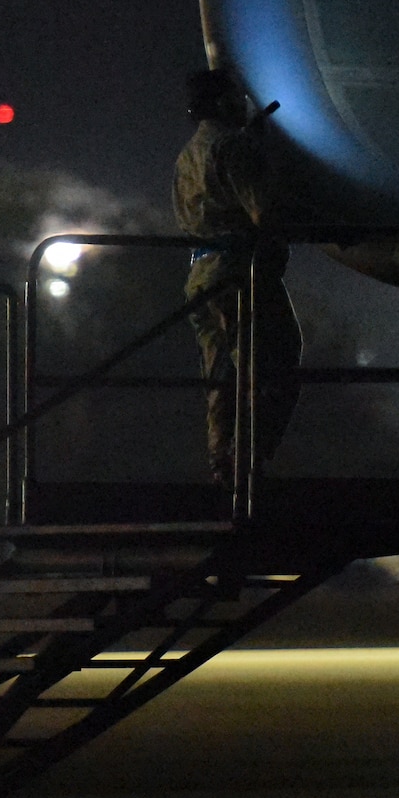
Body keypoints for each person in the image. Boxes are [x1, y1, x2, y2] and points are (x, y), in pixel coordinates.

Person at [173, 66, 303, 487]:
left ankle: (221, 462)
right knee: (274, 361)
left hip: (200, 274)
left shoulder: (187, 156)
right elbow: (266, 212)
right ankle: (248, 459)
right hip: (239, 275)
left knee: (220, 373)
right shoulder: (233, 148)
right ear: (225, 101)